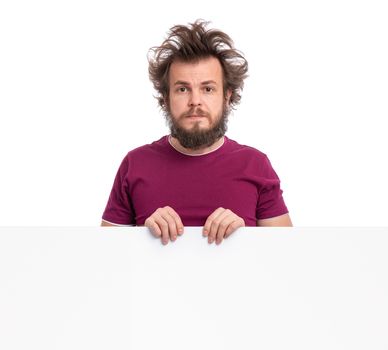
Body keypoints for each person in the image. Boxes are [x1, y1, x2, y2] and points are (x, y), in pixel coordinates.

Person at [101, 20, 292, 245]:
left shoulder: (256, 164)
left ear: (226, 96)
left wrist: (246, 238)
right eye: (182, 89)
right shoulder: (135, 164)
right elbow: (103, 259)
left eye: (208, 89)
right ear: (166, 98)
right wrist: (141, 236)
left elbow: (289, 260)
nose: (195, 101)